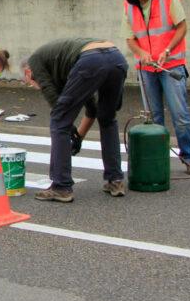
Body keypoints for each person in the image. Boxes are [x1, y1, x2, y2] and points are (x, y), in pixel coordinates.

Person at [21, 39, 128, 202]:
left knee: (58, 121)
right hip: (116, 57)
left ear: (28, 73)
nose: (35, 85)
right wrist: (79, 136)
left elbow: (54, 102)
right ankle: (115, 181)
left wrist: (69, 127)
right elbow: (92, 108)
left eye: (30, 82)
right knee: (107, 118)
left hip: (91, 59)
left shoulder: (35, 61)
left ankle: (61, 187)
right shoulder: (63, 64)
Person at [123, 0, 190, 175]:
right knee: (153, 118)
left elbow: (182, 27)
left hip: (171, 64)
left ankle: (189, 158)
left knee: (180, 115)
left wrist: (167, 50)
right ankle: (160, 161)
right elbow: (130, 39)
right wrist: (141, 53)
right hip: (146, 69)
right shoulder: (128, 5)